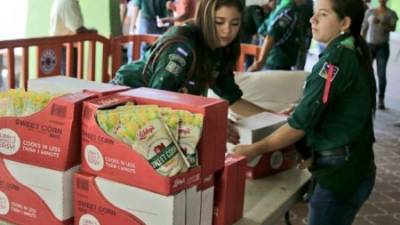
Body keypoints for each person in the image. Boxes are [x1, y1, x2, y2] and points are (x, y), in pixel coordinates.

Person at [234, 0, 377, 224]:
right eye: (313, 14)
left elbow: (298, 126)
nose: (312, 20)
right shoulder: (351, 49)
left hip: (340, 175)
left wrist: (254, 149)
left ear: (345, 22)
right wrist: (303, 105)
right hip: (355, 166)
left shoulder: (335, 61)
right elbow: (334, 104)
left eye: (322, 14)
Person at [112, 0, 268, 144]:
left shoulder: (223, 50)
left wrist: (277, 119)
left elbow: (233, 99)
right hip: (127, 104)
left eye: (235, 23)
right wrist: (211, 122)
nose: (227, 30)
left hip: (162, 115)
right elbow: (158, 103)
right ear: (205, 19)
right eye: (219, 22)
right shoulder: (182, 45)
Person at [248, 0, 306, 71]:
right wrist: (261, 62)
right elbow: (271, 36)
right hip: (276, 63)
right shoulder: (289, 11)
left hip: (281, 61)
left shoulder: (289, 7)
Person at [361, 0, 398, 110]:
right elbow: (364, 28)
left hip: (382, 46)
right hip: (369, 46)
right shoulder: (370, 11)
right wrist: (360, 44)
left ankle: (381, 99)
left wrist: (381, 23)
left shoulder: (391, 13)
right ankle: (364, 96)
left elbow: (393, 28)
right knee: (365, 72)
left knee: (381, 73)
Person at [49, 0, 96, 76]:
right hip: (66, 49)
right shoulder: (68, 1)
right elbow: (78, 29)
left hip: (60, 48)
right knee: (69, 82)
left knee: (65, 81)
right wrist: (92, 32)